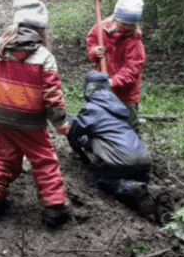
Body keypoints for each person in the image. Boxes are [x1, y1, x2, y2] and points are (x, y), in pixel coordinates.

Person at [0, 0, 73, 228]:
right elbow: (52, 94)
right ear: (42, 31)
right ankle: (55, 206)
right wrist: (60, 123)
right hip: (31, 122)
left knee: (3, 156)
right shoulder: (44, 57)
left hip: (0, 117)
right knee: (43, 160)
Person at [68, 72, 173, 224]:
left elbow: (72, 130)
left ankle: (140, 190)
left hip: (122, 160)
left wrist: (66, 122)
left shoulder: (93, 109)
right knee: (136, 183)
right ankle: (161, 211)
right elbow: (102, 137)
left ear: (88, 89)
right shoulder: (119, 108)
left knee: (104, 181)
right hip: (142, 159)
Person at [86, 0, 147, 129]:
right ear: (115, 18)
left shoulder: (134, 42)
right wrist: (95, 51)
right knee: (103, 120)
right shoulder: (100, 30)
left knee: (128, 123)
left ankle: (131, 146)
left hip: (126, 94)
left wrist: (112, 82)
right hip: (103, 87)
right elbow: (91, 43)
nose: (125, 29)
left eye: (129, 26)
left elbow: (132, 69)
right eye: (122, 24)